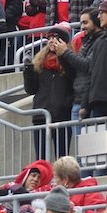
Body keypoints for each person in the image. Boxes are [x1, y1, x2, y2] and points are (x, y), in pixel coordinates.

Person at [23, 23, 74, 159]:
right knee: (41, 159)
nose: (52, 41)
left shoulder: (70, 60)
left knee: (62, 157)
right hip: (41, 116)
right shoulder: (40, 62)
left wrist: (66, 104)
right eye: (50, 38)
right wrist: (28, 70)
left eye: (56, 38)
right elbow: (31, 89)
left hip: (61, 116)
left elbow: (75, 82)